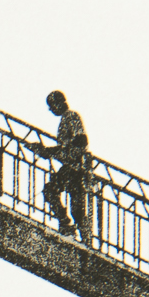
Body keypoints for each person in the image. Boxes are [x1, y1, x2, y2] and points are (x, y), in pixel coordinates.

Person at [35, 90, 93, 243]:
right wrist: (49, 151)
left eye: (52, 106)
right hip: (71, 167)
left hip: (74, 168)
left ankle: (70, 227)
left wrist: (55, 151)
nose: (51, 109)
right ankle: (77, 232)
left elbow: (81, 140)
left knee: (60, 197)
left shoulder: (71, 116)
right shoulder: (66, 118)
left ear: (59, 103)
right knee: (72, 205)